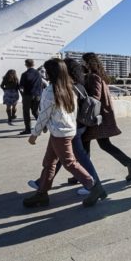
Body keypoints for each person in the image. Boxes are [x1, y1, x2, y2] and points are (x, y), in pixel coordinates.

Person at [22, 58, 105, 208]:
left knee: (69, 163)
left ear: (52, 73)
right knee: (49, 162)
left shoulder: (50, 91)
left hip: (60, 134)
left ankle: (94, 187)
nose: (45, 74)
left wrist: (34, 134)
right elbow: (72, 113)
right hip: (65, 131)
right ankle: (42, 193)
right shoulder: (69, 88)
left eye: (46, 71)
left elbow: (43, 115)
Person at [81, 52, 131, 182]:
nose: (82, 64)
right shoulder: (98, 76)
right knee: (100, 145)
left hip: (95, 118)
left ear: (88, 63)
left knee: (87, 146)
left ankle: (84, 175)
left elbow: (95, 97)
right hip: (100, 117)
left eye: (83, 62)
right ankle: (130, 164)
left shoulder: (93, 77)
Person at [19, 59, 44, 136]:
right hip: (37, 95)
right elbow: (41, 85)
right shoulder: (38, 74)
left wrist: (22, 95)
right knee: (35, 111)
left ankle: (28, 129)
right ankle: (43, 126)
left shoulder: (24, 74)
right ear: (33, 64)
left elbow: (21, 87)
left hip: (28, 95)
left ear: (26, 65)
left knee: (26, 112)